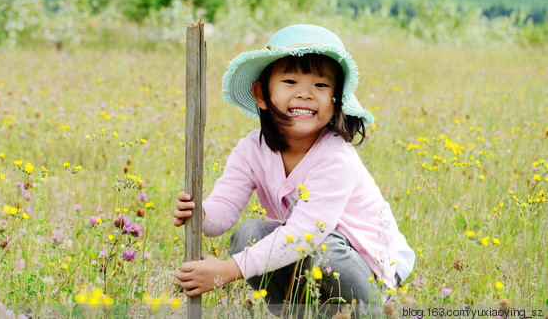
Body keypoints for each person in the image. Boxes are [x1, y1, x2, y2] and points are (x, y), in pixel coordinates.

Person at [173, 24, 414, 316]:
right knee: (247, 235)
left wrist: (227, 270)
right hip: (312, 255)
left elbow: (304, 236)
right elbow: (224, 210)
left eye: (320, 85)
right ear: (261, 94)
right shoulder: (252, 149)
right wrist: (199, 212)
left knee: (323, 247)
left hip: (370, 263)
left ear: (335, 99)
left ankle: (372, 311)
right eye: (290, 81)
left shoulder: (336, 157)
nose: (305, 94)